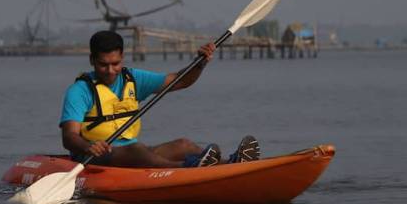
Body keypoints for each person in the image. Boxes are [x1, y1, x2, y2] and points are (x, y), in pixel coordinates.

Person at [59, 30, 260, 168]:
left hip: (134, 153)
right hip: (95, 157)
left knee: (184, 145)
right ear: (92, 60)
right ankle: (189, 167)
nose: (110, 71)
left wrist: (199, 64)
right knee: (136, 150)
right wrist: (88, 146)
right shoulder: (79, 91)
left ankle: (231, 163)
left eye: (115, 63)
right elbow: (69, 137)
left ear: (122, 57)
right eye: (103, 65)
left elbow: (180, 81)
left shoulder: (133, 79)